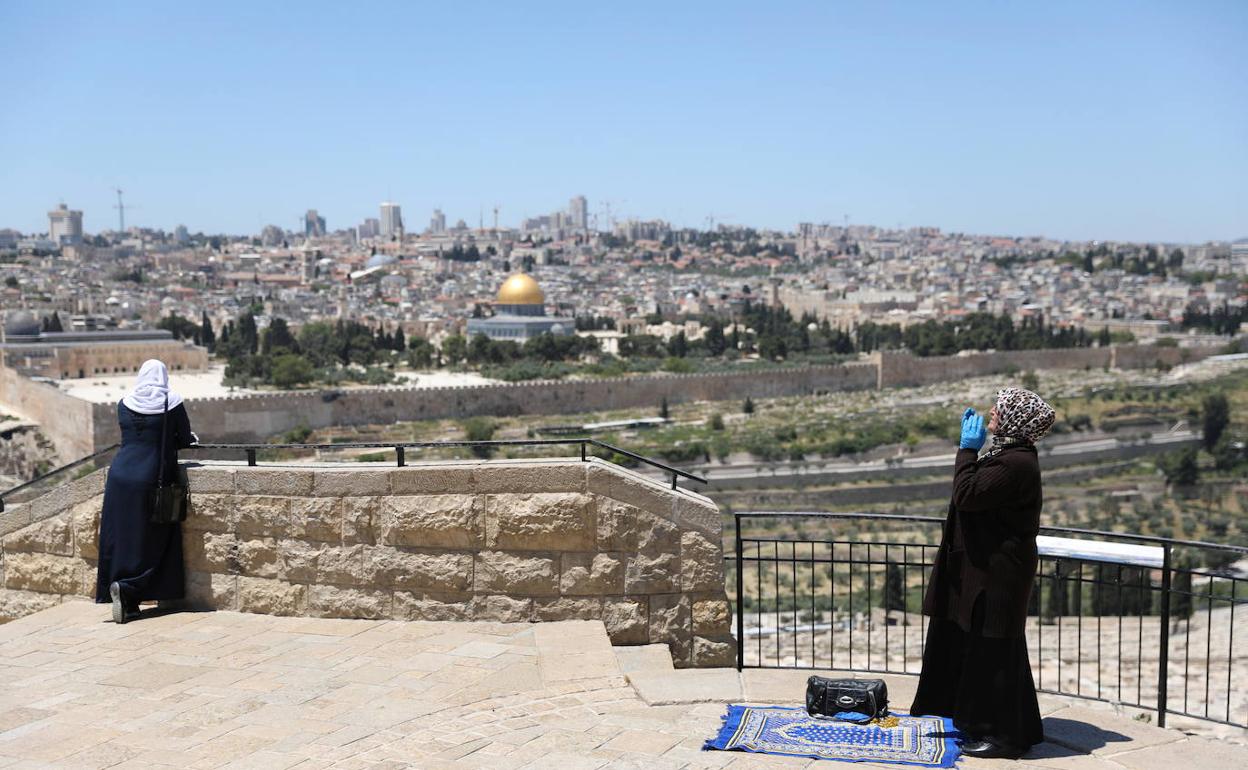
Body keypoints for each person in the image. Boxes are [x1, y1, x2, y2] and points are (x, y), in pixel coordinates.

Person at [909, 387, 1056, 759]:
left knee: (995, 652)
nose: (992, 411)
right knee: (991, 649)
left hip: (1000, 575)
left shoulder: (1014, 463)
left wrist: (966, 451)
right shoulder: (1010, 455)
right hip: (990, 570)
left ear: (1016, 420)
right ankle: (998, 725)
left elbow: (967, 495)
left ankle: (1004, 737)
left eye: (1000, 408)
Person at [95, 359, 198, 624]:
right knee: (154, 540)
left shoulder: (124, 403)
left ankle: (126, 600)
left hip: (119, 478)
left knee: (123, 538)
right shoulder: (171, 402)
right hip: (152, 478)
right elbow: (184, 438)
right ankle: (127, 588)